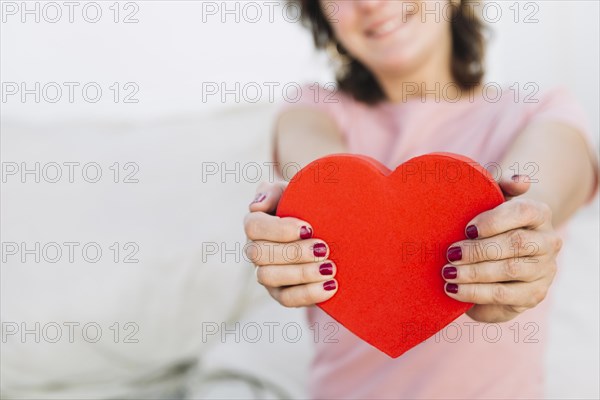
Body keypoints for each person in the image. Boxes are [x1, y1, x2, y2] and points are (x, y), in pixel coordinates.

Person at [243, 1, 598, 398]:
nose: (370, 3)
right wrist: (299, 221)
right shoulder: (310, 110)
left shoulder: (540, 110)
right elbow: (321, 178)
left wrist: (524, 231)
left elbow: (544, 193)